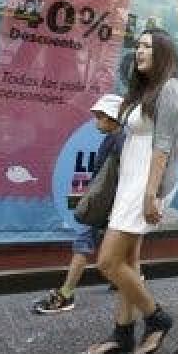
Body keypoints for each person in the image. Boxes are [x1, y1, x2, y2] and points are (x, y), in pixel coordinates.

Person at [91, 28, 178, 354]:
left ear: (162, 52)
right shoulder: (146, 88)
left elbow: (163, 147)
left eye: (147, 46)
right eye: (138, 46)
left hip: (146, 184)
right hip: (130, 181)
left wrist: (150, 195)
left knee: (107, 261)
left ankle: (156, 317)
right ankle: (122, 333)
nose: (139, 51)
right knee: (128, 261)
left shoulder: (171, 89)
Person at [32, 94, 125, 314]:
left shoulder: (118, 141)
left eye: (100, 117)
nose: (96, 121)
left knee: (84, 243)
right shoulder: (118, 138)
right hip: (110, 204)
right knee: (120, 247)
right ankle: (127, 279)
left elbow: (116, 177)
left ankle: (66, 294)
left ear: (112, 117)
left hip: (104, 205)